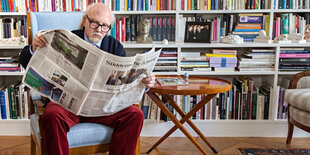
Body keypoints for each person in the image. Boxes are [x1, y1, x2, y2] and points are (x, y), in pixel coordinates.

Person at [19, 3, 156, 155]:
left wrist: (144, 83)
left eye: (105, 26)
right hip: (68, 106)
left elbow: (123, 86)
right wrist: (33, 48)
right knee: (51, 116)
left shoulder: (115, 47)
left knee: (135, 115)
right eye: (95, 23)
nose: (99, 29)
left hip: (103, 109)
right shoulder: (67, 39)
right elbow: (25, 61)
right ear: (85, 21)